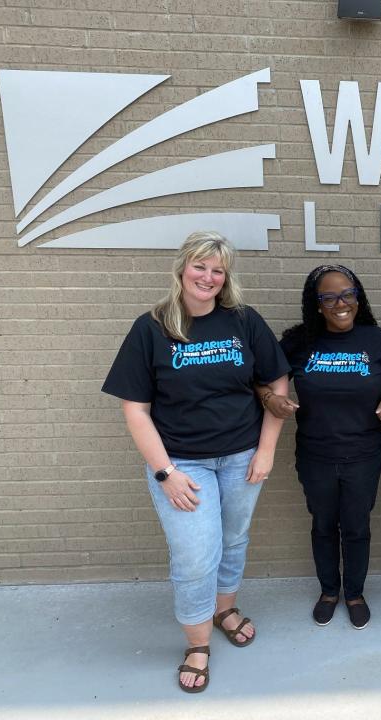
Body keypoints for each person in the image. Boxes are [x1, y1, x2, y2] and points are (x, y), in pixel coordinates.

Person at [102, 231, 290, 693]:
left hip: (242, 456)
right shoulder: (151, 328)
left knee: (233, 539)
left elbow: (278, 381)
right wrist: (165, 472)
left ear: (226, 278)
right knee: (193, 555)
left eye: (218, 270)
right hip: (183, 464)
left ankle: (224, 607)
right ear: (182, 268)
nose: (208, 277)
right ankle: (197, 642)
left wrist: (266, 448)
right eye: (200, 266)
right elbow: (135, 409)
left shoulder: (242, 321)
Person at [260, 264, 381, 631]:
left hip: (364, 455)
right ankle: (328, 592)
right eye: (329, 297)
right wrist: (268, 398)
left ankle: (354, 593)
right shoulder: (298, 342)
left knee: (357, 526)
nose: (341, 303)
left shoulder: (378, 340)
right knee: (323, 524)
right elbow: (258, 378)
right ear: (317, 304)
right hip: (315, 455)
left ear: (358, 297)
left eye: (347, 294)